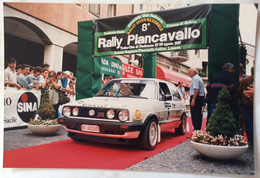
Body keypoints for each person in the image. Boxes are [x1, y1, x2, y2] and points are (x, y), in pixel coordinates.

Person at [238, 66, 254, 144]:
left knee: (249, 122)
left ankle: (251, 139)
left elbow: (240, 92)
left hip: (248, 104)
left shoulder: (245, 80)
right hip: (254, 103)